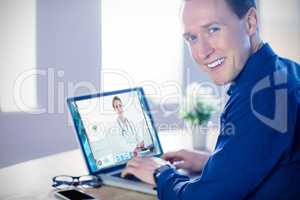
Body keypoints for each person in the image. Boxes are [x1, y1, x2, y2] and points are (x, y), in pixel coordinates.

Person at [121, 0, 300, 199]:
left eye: (213, 29)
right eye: (192, 38)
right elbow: (273, 164)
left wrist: (161, 173)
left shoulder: (261, 99)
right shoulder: (285, 71)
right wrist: (214, 162)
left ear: (250, 22)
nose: (202, 52)